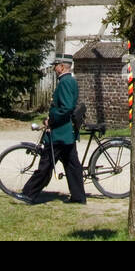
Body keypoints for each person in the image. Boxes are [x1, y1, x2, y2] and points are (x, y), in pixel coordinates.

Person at [20, 55, 86, 205]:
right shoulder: (70, 81)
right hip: (66, 133)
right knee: (72, 165)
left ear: (62, 66)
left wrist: (51, 120)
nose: (54, 68)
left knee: (46, 164)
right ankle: (78, 197)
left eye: (56, 65)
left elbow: (66, 107)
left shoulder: (65, 82)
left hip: (60, 133)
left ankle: (29, 194)